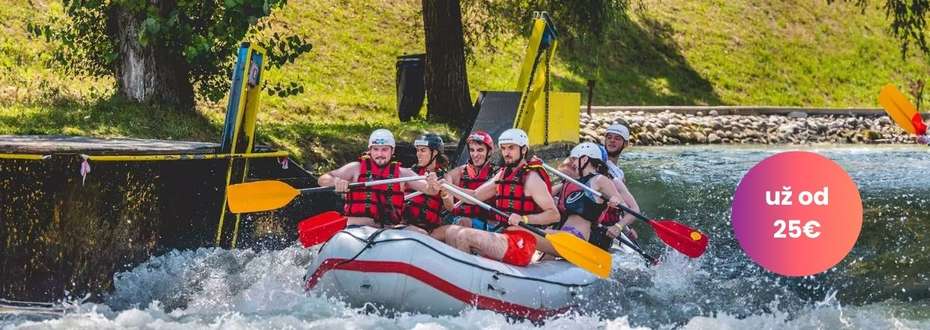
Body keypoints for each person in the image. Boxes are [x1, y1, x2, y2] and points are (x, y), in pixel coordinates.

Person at [440, 128, 559, 266]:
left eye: (511, 148)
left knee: (464, 236)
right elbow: (475, 195)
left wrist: (524, 219)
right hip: (502, 233)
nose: (506, 153)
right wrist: (447, 186)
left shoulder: (531, 178)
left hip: (522, 242)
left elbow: (554, 215)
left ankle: (468, 277)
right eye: (503, 148)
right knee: (451, 232)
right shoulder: (503, 174)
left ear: (524, 150)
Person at [317, 128, 438, 228]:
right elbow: (322, 179)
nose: (380, 154)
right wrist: (336, 181)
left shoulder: (402, 173)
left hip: (388, 229)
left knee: (420, 233)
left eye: (384, 149)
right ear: (370, 150)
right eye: (375, 149)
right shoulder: (355, 168)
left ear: (392, 150)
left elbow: (430, 190)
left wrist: (432, 183)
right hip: (356, 227)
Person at [546, 142, 627, 253]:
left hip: (576, 237)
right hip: (563, 233)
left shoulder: (600, 180)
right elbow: (547, 195)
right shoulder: (574, 182)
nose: (572, 163)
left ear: (584, 159)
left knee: (531, 234)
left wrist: (618, 223)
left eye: (574, 159)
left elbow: (624, 205)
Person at [440, 131, 499, 232]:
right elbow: (450, 207)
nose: (475, 154)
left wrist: (449, 187)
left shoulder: (497, 174)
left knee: (464, 222)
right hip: (459, 220)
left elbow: (475, 195)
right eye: (472, 150)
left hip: (488, 225)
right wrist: (445, 193)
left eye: (480, 150)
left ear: (489, 152)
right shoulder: (458, 172)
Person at [600, 123, 642, 242]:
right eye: (609, 137)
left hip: (609, 223)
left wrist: (625, 228)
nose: (612, 141)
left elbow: (620, 206)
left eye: (617, 138)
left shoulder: (620, 175)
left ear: (626, 144)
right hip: (597, 220)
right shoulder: (597, 162)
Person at [402, 133, 449, 234]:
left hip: (430, 229)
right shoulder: (409, 173)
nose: (418, 154)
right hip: (405, 224)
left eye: (423, 150)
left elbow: (450, 207)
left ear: (435, 152)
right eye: (417, 150)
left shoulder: (445, 177)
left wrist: (445, 192)